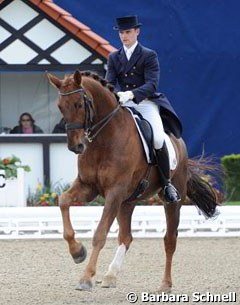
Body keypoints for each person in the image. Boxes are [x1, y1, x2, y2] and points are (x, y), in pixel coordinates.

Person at [105, 15, 183, 203]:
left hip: (145, 103)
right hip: (123, 104)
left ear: (137, 32)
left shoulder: (148, 55)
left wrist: (131, 94)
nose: (124, 36)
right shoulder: (114, 57)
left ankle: (166, 184)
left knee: (157, 138)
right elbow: (109, 82)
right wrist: (116, 94)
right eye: (122, 33)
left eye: (128, 32)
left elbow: (151, 84)